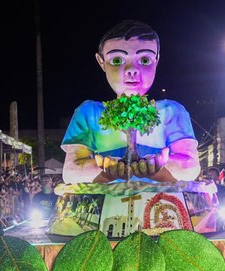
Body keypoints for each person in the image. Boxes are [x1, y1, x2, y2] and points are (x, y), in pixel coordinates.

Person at [61, 20, 200, 184]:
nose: (131, 70)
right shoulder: (89, 113)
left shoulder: (172, 111)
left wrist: (156, 167)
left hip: (159, 206)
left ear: (157, 60)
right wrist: (107, 171)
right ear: (101, 61)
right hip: (108, 206)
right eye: (117, 60)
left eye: (145, 60)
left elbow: (190, 168)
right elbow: (71, 172)